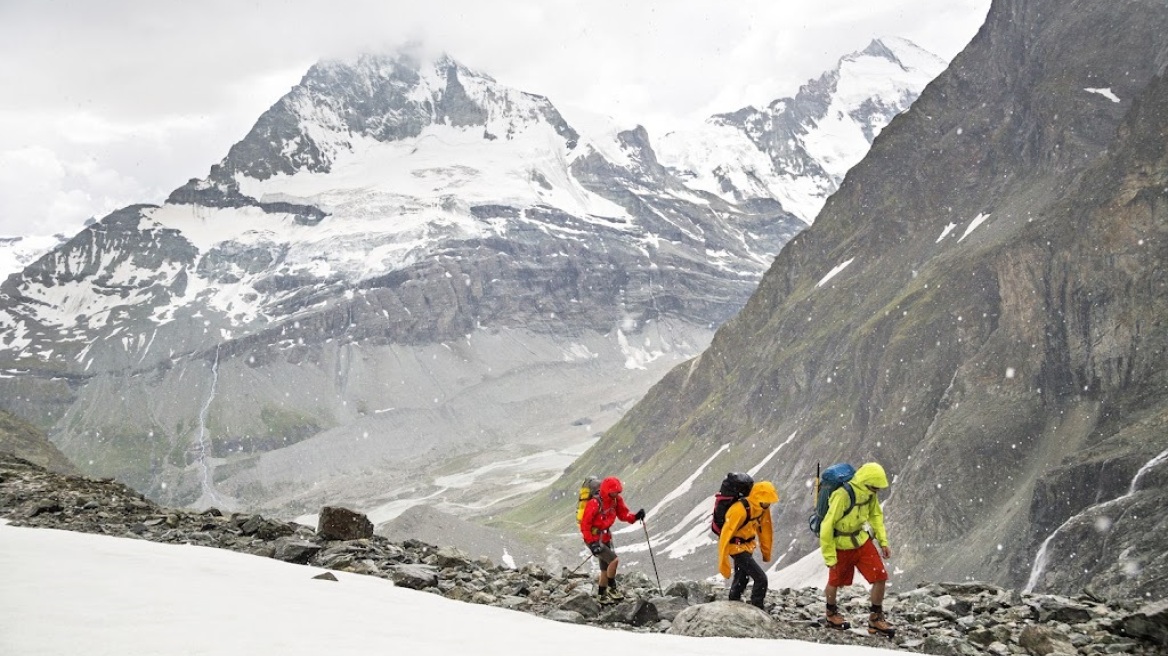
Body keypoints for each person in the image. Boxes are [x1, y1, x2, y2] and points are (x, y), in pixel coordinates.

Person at [819, 461, 894, 637]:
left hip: (861, 540)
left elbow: (875, 516)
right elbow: (827, 525)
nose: (876, 492)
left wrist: (883, 542)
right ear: (866, 482)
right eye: (874, 488)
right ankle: (831, 614)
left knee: (880, 576)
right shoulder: (842, 495)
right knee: (835, 581)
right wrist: (830, 556)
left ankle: (875, 619)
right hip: (841, 544)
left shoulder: (869, 494)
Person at [579, 476, 644, 604]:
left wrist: (636, 517)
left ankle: (601, 596)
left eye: (618, 492)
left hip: (605, 537)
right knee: (614, 560)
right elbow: (585, 525)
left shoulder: (615, 500)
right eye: (614, 492)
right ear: (606, 490)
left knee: (605, 569)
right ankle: (612, 588)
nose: (616, 494)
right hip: (594, 538)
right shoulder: (594, 503)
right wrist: (592, 544)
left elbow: (623, 515)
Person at [717, 480, 778, 609]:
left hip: (747, 546)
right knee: (761, 578)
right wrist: (724, 564)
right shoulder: (739, 509)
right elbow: (725, 535)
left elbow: (766, 531)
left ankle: (733, 602)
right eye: (766, 501)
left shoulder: (762, 508)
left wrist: (766, 553)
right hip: (736, 547)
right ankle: (758, 607)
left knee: (742, 577)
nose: (768, 504)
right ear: (757, 498)